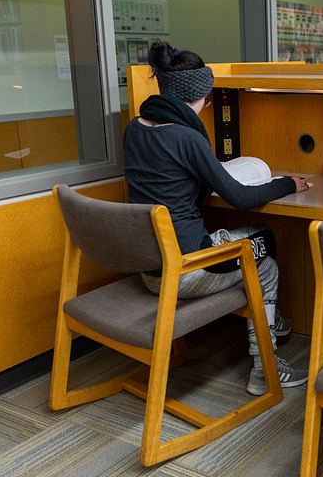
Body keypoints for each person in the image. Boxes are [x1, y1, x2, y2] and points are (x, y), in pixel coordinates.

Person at [123, 41, 310, 395]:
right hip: (187, 270)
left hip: (150, 269)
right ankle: (266, 367)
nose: (207, 106)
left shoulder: (136, 128)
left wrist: (206, 171)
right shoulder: (186, 137)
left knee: (254, 244)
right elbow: (239, 197)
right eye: (207, 100)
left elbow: (166, 178)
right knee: (265, 250)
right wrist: (288, 183)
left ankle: (275, 326)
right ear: (196, 96)